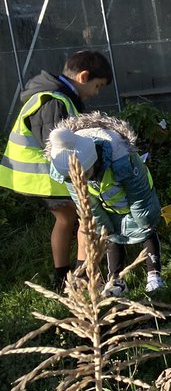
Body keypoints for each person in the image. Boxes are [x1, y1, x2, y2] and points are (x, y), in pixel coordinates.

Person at [0, 50, 112, 288]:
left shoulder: (56, 96)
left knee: (66, 218)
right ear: (83, 77)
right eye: (98, 86)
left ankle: (61, 276)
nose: (96, 93)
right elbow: (56, 146)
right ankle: (83, 277)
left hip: (36, 177)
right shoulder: (54, 101)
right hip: (41, 177)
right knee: (86, 217)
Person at [46, 114, 164, 295]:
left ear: (93, 160)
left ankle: (154, 275)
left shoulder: (121, 158)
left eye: (86, 174)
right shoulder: (68, 169)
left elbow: (138, 191)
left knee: (146, 231)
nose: (83, 179)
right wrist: (102, 227)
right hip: (108, 204)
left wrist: (144, 216)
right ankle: (116, 280)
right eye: (78, 177)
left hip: (134, 200)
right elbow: (86, 202)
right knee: (111, 238)